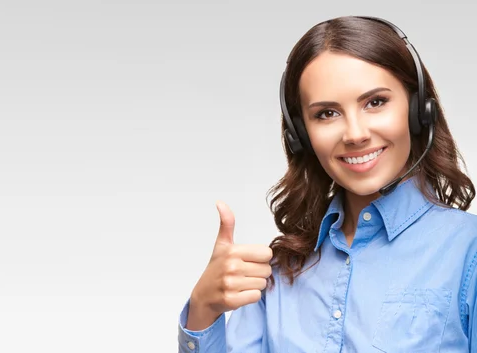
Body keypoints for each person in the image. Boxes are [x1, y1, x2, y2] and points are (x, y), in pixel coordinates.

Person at [177, 15, 477, 352]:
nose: (355, 134)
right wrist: (203, 309)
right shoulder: (276, 274)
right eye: (326, 114)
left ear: (418, 109)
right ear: (300, 136)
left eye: (375, 102)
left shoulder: (469, 252)